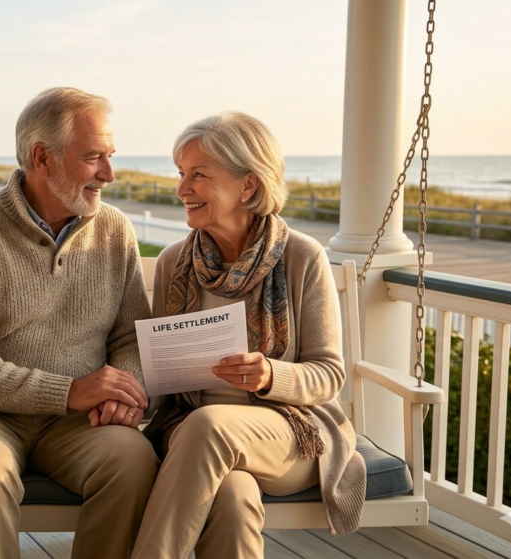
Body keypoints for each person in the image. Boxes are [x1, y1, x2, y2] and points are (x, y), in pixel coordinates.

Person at [0, 87, 158, 559]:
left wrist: (126, 390)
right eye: (93, 158)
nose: (108, 174)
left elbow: (130, 336)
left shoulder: (114, 230)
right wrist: (69, 390)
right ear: (41, 157)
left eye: (109, 156)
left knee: (133, 461)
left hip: (74, 422)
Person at [131, 112, 366, 559]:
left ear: (249, 186)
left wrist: (269, 376)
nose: (182, 189)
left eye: (198, 175)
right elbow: (161, 374)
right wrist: (132, 394)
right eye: (181, 174)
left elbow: (329, 374)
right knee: (234, 498)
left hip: (291, 433)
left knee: (208, 427)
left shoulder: (300, 257)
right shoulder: (173, 263)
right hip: (193, 437)